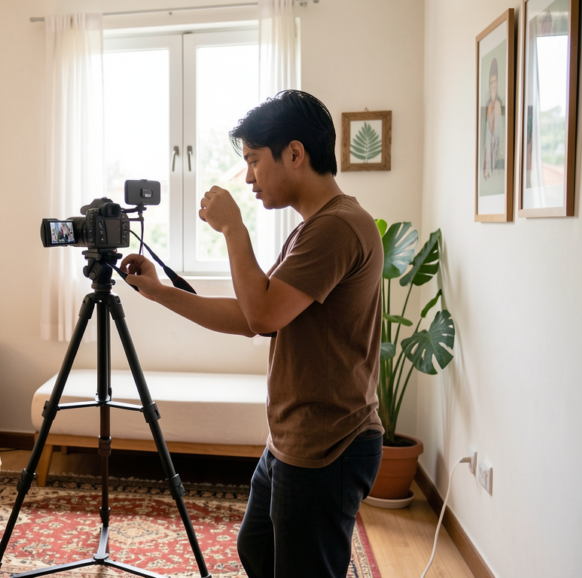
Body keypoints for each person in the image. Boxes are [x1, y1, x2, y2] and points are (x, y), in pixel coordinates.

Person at [119, 90, 385, 577]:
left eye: (254, 161)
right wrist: (160, 293)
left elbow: (260, 314)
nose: (248, 178)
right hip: (295, 437)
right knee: (258, 550)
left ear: (296, 154)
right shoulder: (314, 228)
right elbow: (253, 317)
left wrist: (233, 230)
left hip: (327, 443)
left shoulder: (337, 228)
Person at [482, 58, 502, 181]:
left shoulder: (498, 105)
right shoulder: (488, 104)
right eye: (491, 83)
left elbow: (497, 137)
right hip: (487, 160)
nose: (493, 86)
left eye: (494, 82)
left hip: (495, 159)